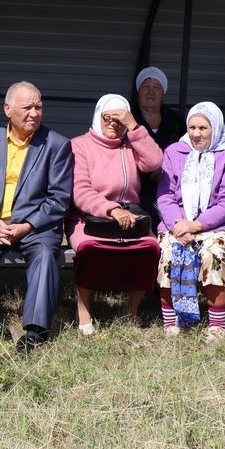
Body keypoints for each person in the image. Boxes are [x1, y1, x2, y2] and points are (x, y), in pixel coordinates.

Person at [0, 81, 73, 352]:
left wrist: (26, 226)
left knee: (45, 255)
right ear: (8, 109)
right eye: (27, 107)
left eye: (39, 106)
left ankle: (35, 331)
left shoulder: (56, 145)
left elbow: (59, 198)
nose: (34, 113)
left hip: (36, 227)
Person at [67, 94, 163, 335]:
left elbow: (155, 162)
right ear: (97, 116)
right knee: (89, 249)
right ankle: (84, 307)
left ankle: (131, 309)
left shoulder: (129, 144)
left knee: (150, 248)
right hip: (89, 216)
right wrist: (111, 210)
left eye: (120, 119)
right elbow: (80, 192)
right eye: (107, 117)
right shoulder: (80, 145)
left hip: (130, 215)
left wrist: (134, 127)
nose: (113, 123)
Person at [154, 102, 225, 341]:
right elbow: (165, 195)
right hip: (178, 224)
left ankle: (216, 323)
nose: (196, 133)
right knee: (169, 250)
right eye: (192, 127)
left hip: (220, 226)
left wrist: (197, 225)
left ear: (215, 127)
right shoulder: (174, 152)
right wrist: (178, 226)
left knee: (213, 252)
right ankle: (171, 320)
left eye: (203, 128)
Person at [132, 66, 184, 150]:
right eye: (146, 86)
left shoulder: (177, 119)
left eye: (156, 87)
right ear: (139, 91)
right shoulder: (130, 117)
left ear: (162, 93)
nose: (151, 92)